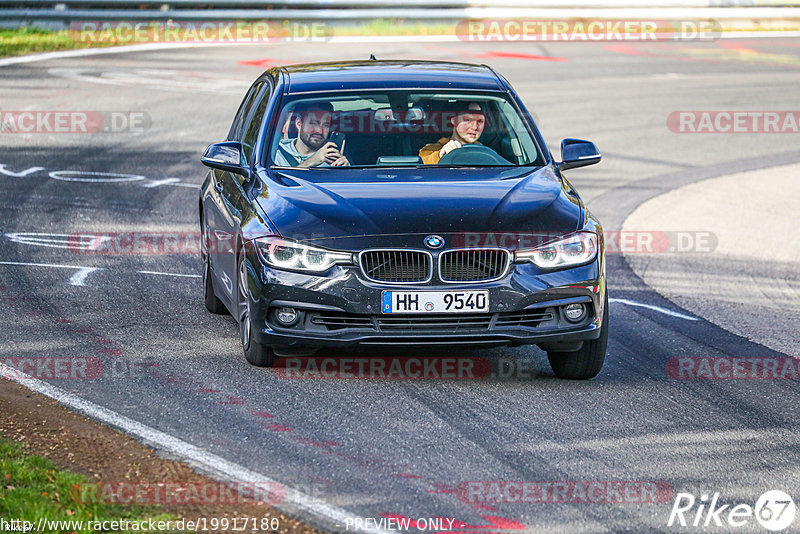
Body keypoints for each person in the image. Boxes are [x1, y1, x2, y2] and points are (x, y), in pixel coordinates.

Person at [274, 102, 349, 167]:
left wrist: (345, 172)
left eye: (325, 125)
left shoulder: (333, 157)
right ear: (299, 123)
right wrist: (312, 161)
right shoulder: (277, 154)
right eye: (313, 123)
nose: (320, 131)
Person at [418, 102, 485, 165]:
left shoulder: (485, 151)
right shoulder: (431, 149)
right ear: (454, 121)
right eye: (468, 120)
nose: (475, 127)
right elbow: (421, 164)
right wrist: (440, 154)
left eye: (480, 121)